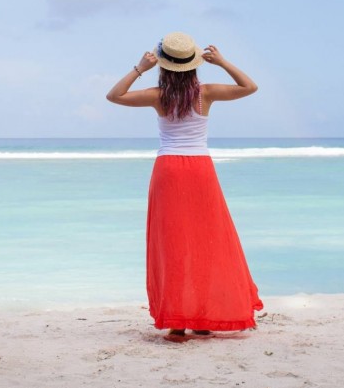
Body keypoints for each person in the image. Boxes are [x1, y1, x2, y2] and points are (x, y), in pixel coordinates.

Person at [106, 31, 264, 339]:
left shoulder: (157, 96)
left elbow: (114, 96)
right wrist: (221, 61)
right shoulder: (207, 93)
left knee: (174, 245)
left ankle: (178, 322)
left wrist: (140, 68)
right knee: (206, 242)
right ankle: (202, 319)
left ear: (164, 65)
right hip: (200, 171)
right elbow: (250, 87)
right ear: (193, 64)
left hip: (168, 171)